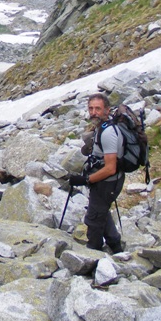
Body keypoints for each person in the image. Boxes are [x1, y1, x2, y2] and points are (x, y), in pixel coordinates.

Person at [67, 93, 125, 253]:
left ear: (107, 110)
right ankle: (116, 247)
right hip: (106, 181)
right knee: (101, 212)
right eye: (91, 108)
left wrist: (86, 180)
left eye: (98, 109)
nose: (94, 112)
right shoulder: (103, 127)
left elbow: (110, 168)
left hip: (108, 182)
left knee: (93, 219)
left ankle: (93, 253)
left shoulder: (108, 133)